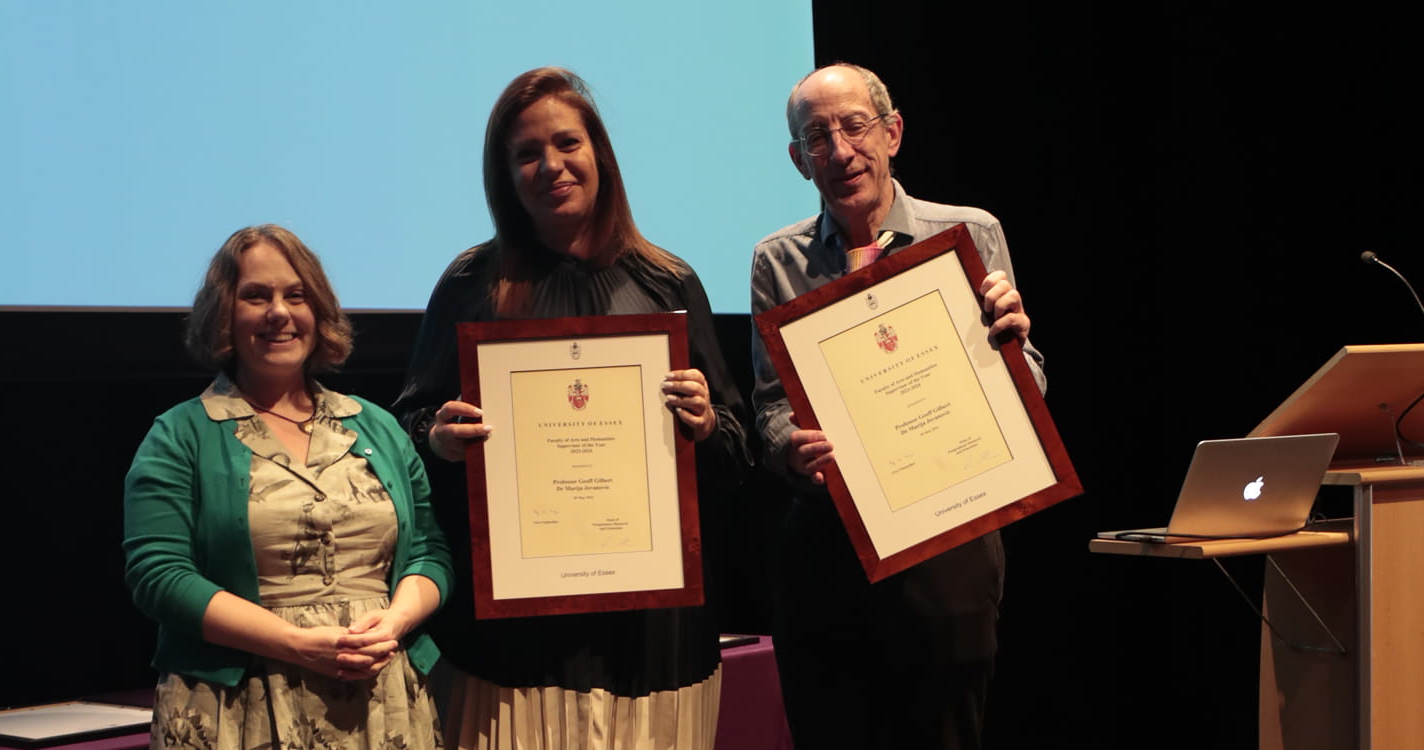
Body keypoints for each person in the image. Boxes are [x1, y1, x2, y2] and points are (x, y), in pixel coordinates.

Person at [393, 67, 750, 750]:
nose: (550, 165)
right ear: (506, 176)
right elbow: (404, 437)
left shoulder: (668, 283)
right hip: (511, 646)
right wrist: (437, 440)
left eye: (566, 144)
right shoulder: (472, 285)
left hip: (651, 641)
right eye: (527, 153)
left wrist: (706, 426)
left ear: (600, 156)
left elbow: (737, 451)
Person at [749, 63, 1047, 750]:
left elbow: (1029, 376)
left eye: (854, 126)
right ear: (798, 161)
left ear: (893, 133)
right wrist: (789, 447)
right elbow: (771, 408)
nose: (841, 151)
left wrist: (1015, 346)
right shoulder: (777, 261)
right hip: (830, 548)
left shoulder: (970, 234)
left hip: (951, 541)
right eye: (817, 136)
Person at [124, 224, 454, 749]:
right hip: (239, 708)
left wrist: (394, 622)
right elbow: (158, 576)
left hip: (381, 697)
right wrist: (298, 645)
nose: (279, 312)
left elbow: (431, 553)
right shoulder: (180, 434)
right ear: (224, 314)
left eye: (295, 295)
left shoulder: (376, 426)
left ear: (317, 310)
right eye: (256, 296)